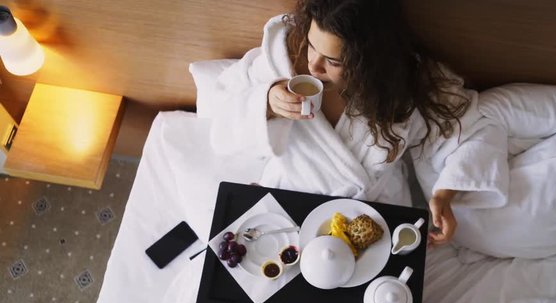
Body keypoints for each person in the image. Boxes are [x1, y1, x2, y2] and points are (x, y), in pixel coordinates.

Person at [207, 0, 509, 248]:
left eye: (334, 61)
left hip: (371, 221)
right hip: (287, 210)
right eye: (313, 45)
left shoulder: (407, 85)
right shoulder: (279, 59)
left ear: (371, 59)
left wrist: (445, 195)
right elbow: (218, 116)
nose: (314, 66)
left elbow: (469, 130)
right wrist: (267, 103)